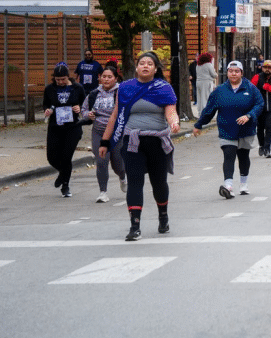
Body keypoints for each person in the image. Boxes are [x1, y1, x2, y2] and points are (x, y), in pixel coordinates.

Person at [98, 52, 179, 241]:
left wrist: (174, 123)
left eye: (149, 64)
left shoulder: (164, 88)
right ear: (136, 68)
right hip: (133, 142)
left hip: (157, 142)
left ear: (155, 69)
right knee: (135, 182)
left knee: (159, 183)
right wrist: (105, 141)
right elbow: (115, 115)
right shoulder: (126, 88)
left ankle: (163, 216)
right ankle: (135, 226)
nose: (145, 66)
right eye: (142, 63)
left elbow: (171, 111)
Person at [194, 60, 263, 198]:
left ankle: (244, 184)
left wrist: (249, 115)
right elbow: (209, 110)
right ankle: (228, 185)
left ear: (241, 73)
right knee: (229, 156)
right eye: (231, 71)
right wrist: (199, 124)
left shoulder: (250, 88)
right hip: (227, 129)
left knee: (243, 157)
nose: (233, 74)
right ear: (227, 73)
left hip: (245, 129)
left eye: (237, 71)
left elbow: (260, 104)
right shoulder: (220, 90)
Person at [42, 62, 87, 197]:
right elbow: (45, 104)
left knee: (66, 156)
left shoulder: (77, 88)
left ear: (68, 77)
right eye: (57, 80)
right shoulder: (50, 89)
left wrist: (79, 108)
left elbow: (85, 105)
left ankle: (65, 185)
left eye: (63, 79)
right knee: (52, 157)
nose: (60, 82)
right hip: (55, 126)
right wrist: (47, 110)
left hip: (72, 127)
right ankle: (63, 173)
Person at [84, 66, 125, 202]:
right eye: (104, 77)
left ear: (116, 78)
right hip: (98, 132)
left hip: (116, 133)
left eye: (109, 77)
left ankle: (122, 176)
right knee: (101, 161)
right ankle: (103, 192)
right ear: (100, 78)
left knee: (117, 163)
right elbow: (84, 110)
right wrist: (88, 114)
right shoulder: (94, 93)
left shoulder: (121, 92)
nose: (106, 79)